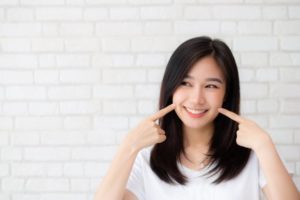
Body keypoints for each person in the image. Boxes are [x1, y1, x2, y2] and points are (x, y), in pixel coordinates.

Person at [94, 36, 299, 200]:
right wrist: (129, 146)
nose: (197, 98)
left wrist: (264, 145)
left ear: (226, 93)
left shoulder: (254, 152)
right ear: (170, 88)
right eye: (185, 83)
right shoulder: (147, 159)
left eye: (211, 86)